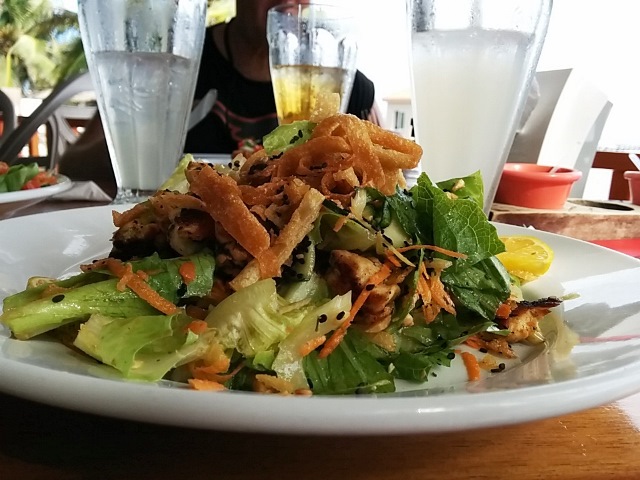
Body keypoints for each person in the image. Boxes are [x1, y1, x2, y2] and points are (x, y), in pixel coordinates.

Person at [59, 0, 381, 190]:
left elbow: (381, 176)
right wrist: (146, 134)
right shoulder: (175, 61)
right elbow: (74, 164)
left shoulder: (349, 86)